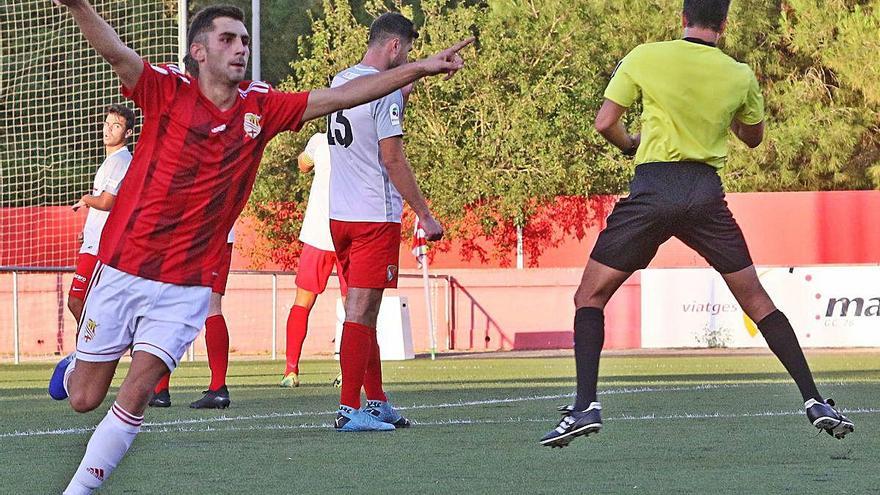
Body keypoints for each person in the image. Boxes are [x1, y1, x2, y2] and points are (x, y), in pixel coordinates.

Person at [46, 1, 473, 492]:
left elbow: (344, 96)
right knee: (83, 398)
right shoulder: (168, 89)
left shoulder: (260, 106)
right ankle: (80, 362)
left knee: (139, 389)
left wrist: (420, 67)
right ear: (199, 52)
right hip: (123, 267)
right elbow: (117, 53)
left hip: (186, 283)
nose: (240, 48)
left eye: (244, 40)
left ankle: (77, 489)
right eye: (227, 39)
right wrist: (78, 5)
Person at [539, 0, 854, 448]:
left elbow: (605, 123)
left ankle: (585, 405)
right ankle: (815, 399)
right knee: (758, 301)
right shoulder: (739, 74)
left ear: (682, 19)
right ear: (723, 25)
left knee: (590, 296)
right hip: (704, 192)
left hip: (653, 187)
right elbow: (753, 136)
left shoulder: (645, 56)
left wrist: (631, 144)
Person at [328, 12, 444, 433]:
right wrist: (425, 214)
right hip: (373, 216)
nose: (409, 57)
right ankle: (348, 409)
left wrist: (419, 75)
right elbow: (391, 157)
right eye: (408, 50)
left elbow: (376, 110)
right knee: (361, 311)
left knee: (365, 311)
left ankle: (375, 401)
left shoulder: (342, 80)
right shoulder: (385, 94)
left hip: (339, 216)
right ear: (395, 47)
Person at [280, 132, 349, 388]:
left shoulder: (320, 140)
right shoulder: (367, 137)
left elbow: (303, 164)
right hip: (350, 232)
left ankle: (291, 371)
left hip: (319, 233)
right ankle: (349, 371)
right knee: (354, 306)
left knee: (303, 301)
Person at [149, 228, 235, 409]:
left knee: (169, 307)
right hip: (222, 234)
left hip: (188, 232)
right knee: (213, 307)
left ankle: (160, 390)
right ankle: (218, 387)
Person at [67, 104, 134, 324]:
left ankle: (89, 352)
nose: (108, 129)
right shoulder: (111, 161)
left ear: (128, 133)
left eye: (116, 126)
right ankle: (91, 350)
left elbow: (106, 202)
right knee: (90, 304)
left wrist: (86, 199)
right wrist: (88, 230)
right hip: (95, 241)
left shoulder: (121, 161)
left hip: (101, 247)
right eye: (107, 124)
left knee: (76, 301)